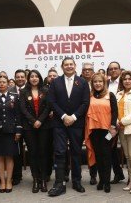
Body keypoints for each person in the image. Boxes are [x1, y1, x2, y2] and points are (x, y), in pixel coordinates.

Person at [48, 57, 90, 197]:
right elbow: (52, 102)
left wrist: (73, 117)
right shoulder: (55, 82)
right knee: (59, 152)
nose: (69, 66)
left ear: (75, 65)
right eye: (66, 64)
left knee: (76, 152)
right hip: (59, 123)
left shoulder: (83, 82)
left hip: (76, 123)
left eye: (71, 64)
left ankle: (77, 181)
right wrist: (63, 116)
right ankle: (59, 183)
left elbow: (85, 103)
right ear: (62, 66)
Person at [85, 72, 118, 193]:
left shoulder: (110, 95)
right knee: (98, 155)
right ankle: (102, 180)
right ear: (92, 83)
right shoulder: (89, 96)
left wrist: (113, 126)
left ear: (104, 83)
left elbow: (115, 112)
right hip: (93, 130)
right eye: (95, 82)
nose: (97, 84)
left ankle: (107, 182)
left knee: (107, 155)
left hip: (107, 130)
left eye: (100, 81)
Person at [19, 70, 51, 193]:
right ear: (29, 79)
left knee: (43, 153)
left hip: (44, 126)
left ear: (39, 78)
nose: (34, 78)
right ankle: (35, 180)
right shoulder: (23, 92)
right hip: (29, 127)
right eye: (31, 76)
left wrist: (40, 121)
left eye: (36, 76)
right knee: (33, 153)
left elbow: (49, 107)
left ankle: (43, 180)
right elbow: (22, 109)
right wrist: (33, 121)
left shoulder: (46, 90)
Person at [107, 61, 125, 184]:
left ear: (119, 70)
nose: (113, 70)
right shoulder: (106, 83)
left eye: (115, 68)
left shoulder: (125, 83)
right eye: (111, 69)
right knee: (110, 147)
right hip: (111, 123)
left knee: (128, 150)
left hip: (124, 123)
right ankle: (118, 174)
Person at [81, 62, 98, 185]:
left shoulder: (98, 84)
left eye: (90, 69)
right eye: (85, 70)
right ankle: (73, 175)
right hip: (78, 121)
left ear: (93, 71)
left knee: (93, 148)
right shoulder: (77, 83)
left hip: (94, 121)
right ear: (82, 71)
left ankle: (93, 175)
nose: (87, 71)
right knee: (76, 149)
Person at [9, 69, 27, 185]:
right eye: (18, 77)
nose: (20, 79)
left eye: (22, 77)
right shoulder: (9, 91)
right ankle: (17, 176)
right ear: (15, 78)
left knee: (35, 150)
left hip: (30, 124)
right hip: (16, 125)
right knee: (16, 151)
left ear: (25, 78)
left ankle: (40, 175)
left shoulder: (29, 89)